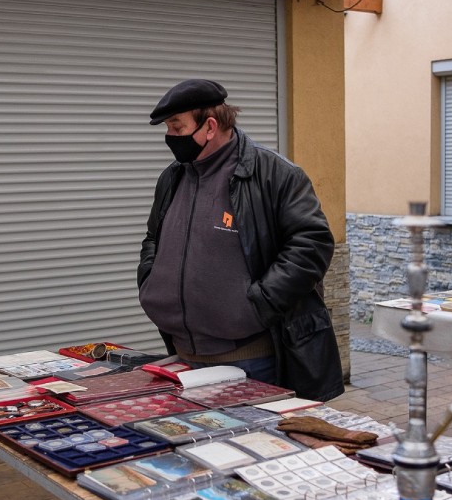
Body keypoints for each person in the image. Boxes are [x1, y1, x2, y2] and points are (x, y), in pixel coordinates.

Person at [137, 78, 344, 401]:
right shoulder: (174, 176)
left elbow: (312, 244)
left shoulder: (274, 174)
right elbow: (154, 238)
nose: (170, 138)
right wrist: (151, 283)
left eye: (177, 128)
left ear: (209, 126)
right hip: (184, 356)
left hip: (250, 359)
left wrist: (257, 304)